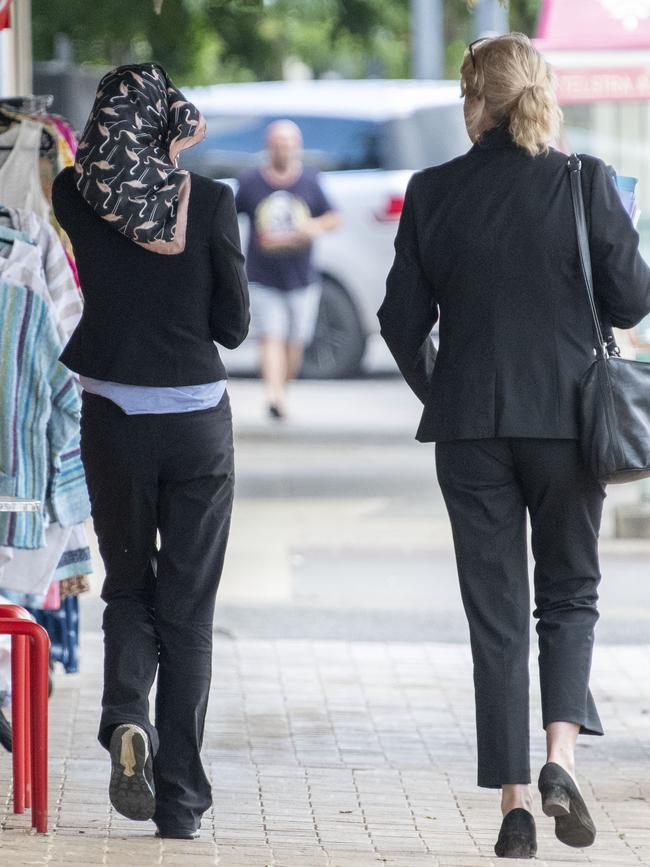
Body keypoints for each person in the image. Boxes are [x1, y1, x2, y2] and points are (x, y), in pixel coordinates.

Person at [378, 33, 650, 860]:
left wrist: (445, 389)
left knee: (495, 616)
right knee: (568, 594)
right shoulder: (586, 181)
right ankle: (560, 756)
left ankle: (512, 803)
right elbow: (633, 302)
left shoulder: (432, 191)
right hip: (570, 426)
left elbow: (398, 321)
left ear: (476, 103)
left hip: (471, 433)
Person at [52, 63, 249, 839]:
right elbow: (232, 327)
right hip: (198, 425)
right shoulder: (213, 204)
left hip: (112, 421)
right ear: (171, 122)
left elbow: (101, 177)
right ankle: (180, 800)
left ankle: (128, 715)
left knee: (129, 587)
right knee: (188, 611)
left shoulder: (75, 195)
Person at [235, 120, 340, 418]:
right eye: (277, 143)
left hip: (301, 277)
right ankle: (274, 396)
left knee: (296, 341)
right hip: (262, 275)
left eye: (288, 143)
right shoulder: (250, 182)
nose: (282, 148)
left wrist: (313, 227)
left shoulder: (309, 182)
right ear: (268, 147)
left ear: (297, 147)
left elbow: (333, 217)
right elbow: (228, 215)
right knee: (271, 335)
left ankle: (282, 387)